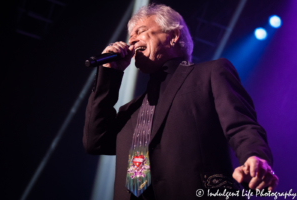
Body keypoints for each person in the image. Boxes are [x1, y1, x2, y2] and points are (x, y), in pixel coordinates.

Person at [83, 4, 278, 200]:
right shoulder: (130, 110)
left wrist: (254, 157)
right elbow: (96, 143)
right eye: (130, 36)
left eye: (140, 31)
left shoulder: (209, 74)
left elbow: (241, 126)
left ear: (174, 35)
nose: (131, 40)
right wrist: (109, 73)